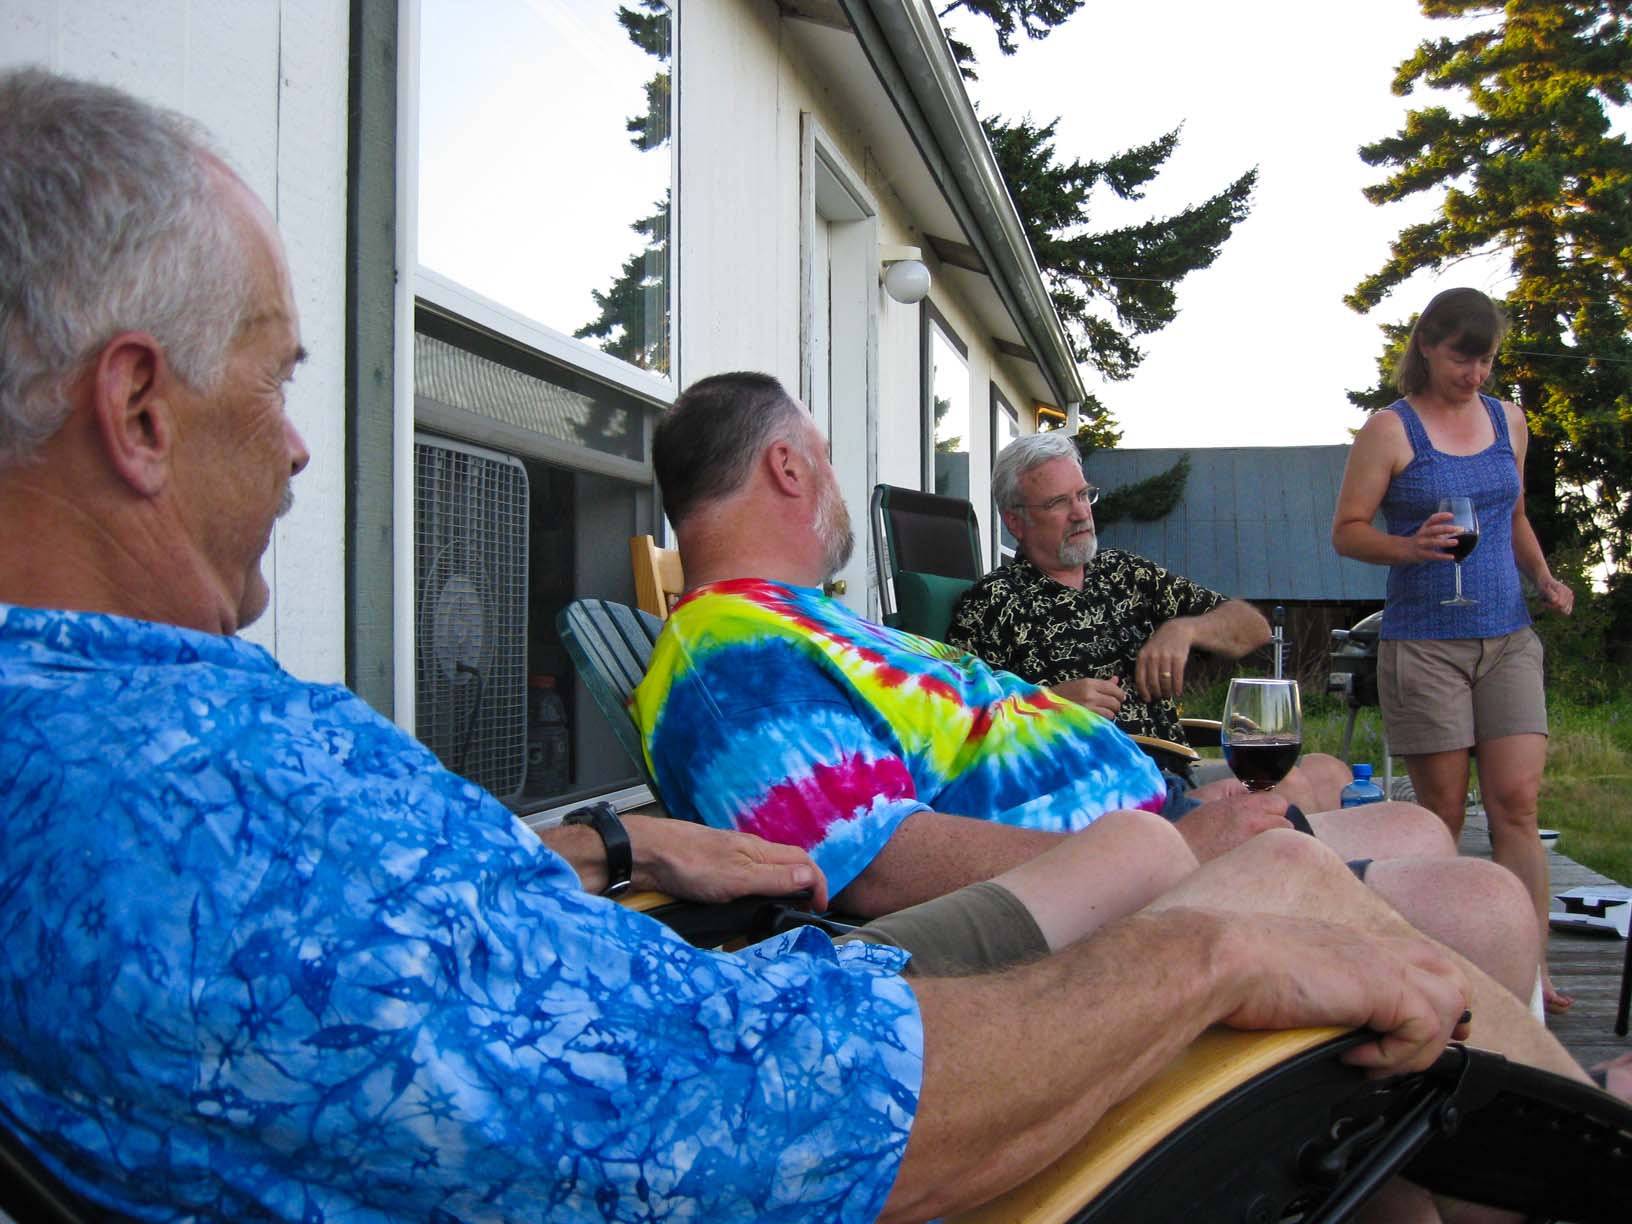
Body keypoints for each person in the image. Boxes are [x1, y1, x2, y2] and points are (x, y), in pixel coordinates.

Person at [0, 71, 1598, 1224]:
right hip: (823, 1080)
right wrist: (1202, 944)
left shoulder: (128, 744)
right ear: (138, 408)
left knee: (1367, 937)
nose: (298, 445)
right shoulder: (169, 811)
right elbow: (736, 1118)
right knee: (1356, 916)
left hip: (740, 1008)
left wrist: (608, 841)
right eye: (277, 380)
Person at [634, 372, 1567, 1010]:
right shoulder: (728, 654)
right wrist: (1173, 851)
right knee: (1484, 906)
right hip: (1121, 900)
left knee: (1418, 832)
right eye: (826, 456)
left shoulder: (806, 625)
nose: (834, 481)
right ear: (787, 468)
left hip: (1149, 816)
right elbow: (877, 865)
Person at [1332, 287, 1576, 1016]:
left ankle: (1528, 970)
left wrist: (1542, 576)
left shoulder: (1509, 421)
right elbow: (1347, 531)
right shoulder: (1390, 430)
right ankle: (1437, 968)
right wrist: (1408, 546)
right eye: (1462, 360)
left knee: (1517, 803)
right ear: (1429, 347)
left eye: (1487, 360)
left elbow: (1514, 516)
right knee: (1439, 812)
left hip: (1507, 637)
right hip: (1425, 644)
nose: (1475, 375)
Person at [947, 430, 1350, 815]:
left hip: (1176, 770)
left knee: (1331, 773)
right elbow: (956, 733)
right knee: (1287, 787)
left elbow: (1252, 627)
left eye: (1084, 495)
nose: (1081, 513)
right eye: (1058, 503)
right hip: (1105, 794)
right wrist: (1047, 706)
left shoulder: (1126, 573)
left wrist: (1184, 629)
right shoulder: (992, 603)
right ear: (1016, 522)